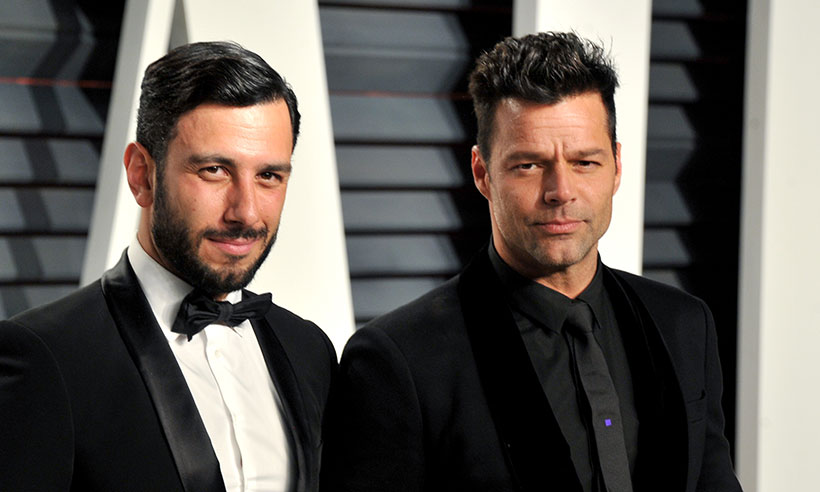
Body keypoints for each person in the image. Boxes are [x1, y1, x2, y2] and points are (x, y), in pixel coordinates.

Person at [321, 32, 741, 491]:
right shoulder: (400, 361)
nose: (561, 191)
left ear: (617, 166)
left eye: (584, 162)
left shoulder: (683, 325)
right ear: (482, 173)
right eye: (529, 165)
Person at [0, 41, 336, 492]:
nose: (246, 212)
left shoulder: (309, 350)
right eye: (214, 170)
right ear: (142, 175)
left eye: (268, 176)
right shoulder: (45, 357)